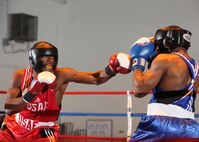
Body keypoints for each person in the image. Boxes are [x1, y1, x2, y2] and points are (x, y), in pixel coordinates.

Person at [0, 41, 132, 142]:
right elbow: (9, 109)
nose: (49, 61)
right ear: (34, 59)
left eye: (52, 58)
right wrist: (32, 91)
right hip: (14, 126)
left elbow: (95, 79)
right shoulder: (20, 75)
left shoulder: (62, 74)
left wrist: (112, 69)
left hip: (42, 130)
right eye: (45, 58)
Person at [129, 25, 199, 141]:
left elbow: (139, 90)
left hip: (161, 125)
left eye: (158, 44)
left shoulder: (164, 59)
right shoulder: (195, 66)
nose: (156, 48)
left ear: (167, 42)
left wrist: (138, 61)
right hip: (190, 128)